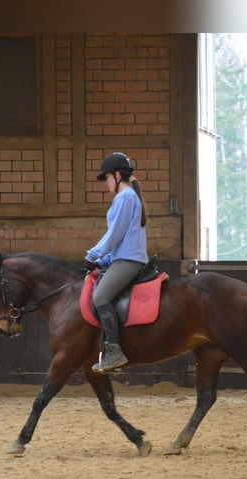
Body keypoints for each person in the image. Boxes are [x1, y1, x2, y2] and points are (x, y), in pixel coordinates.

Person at [84, 152, 149, 373]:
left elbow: (115, 235)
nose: (106, 184)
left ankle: (114, 351)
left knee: (100, 296)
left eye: (108, 178)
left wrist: (92, 255)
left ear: (118, 174)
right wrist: (101, 260)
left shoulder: (125, 197)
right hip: (122, 257)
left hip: (129, 260)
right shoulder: (127, 197)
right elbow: (118, 239)